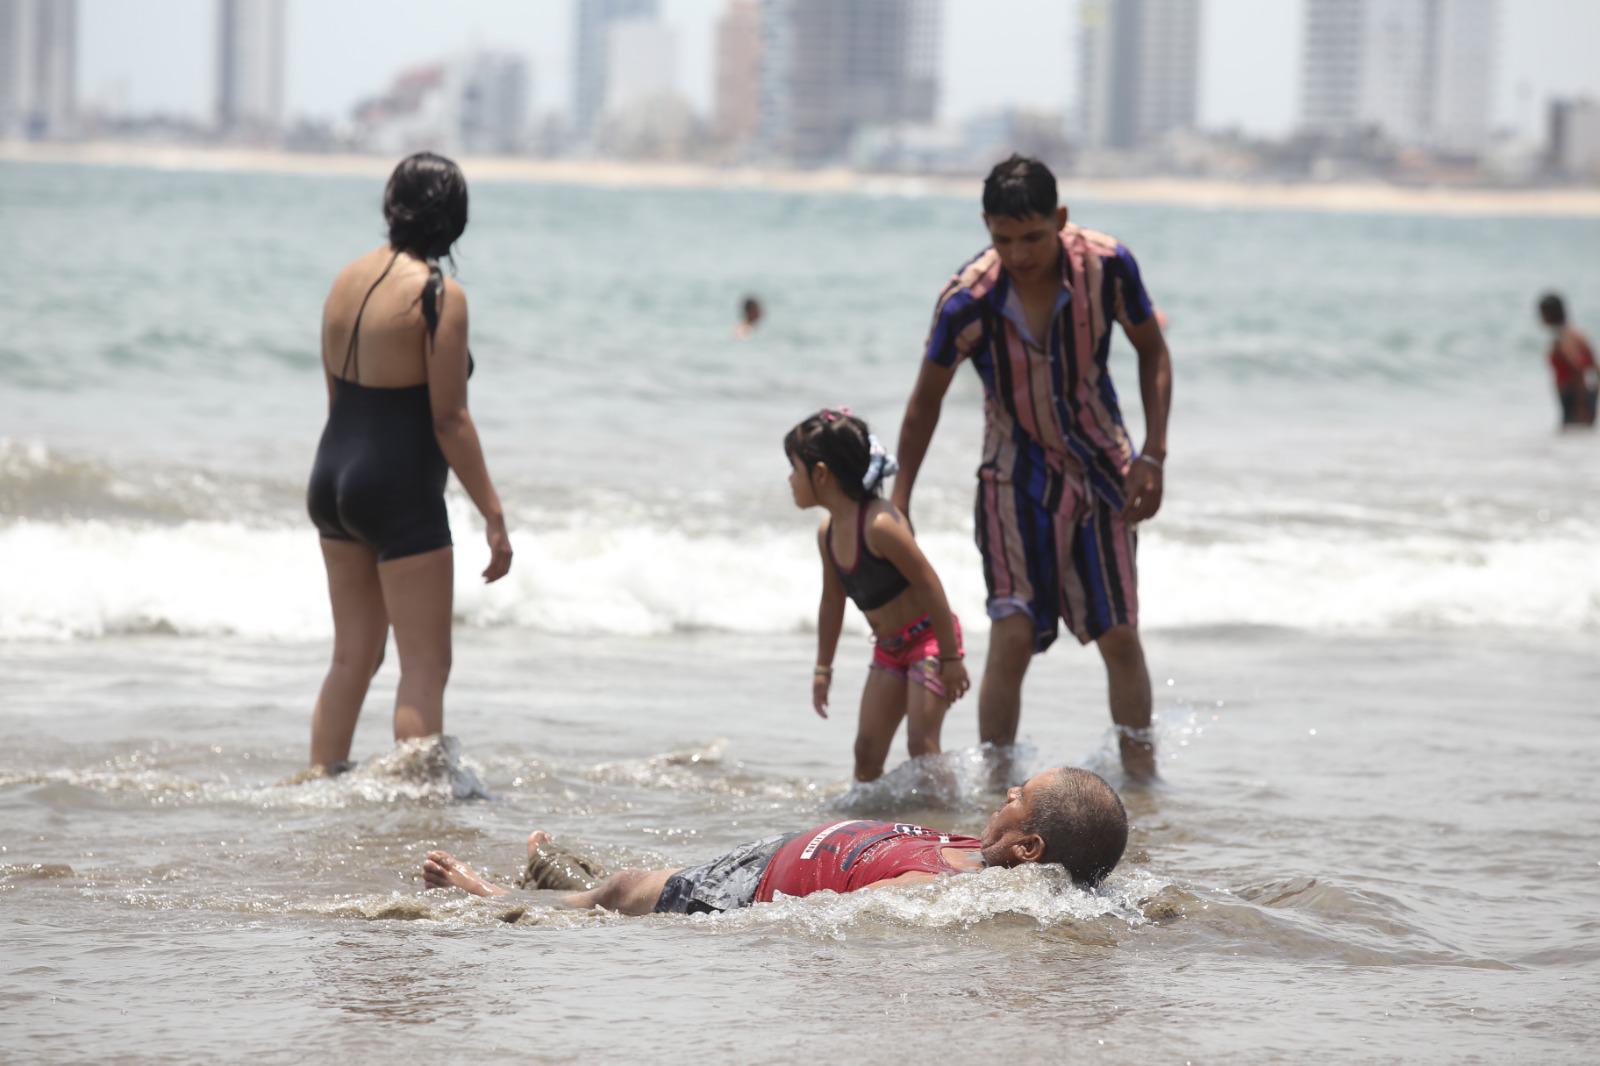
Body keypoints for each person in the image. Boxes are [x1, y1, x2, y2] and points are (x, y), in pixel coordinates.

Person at [892, 155, 1172, 783]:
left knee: (1119, 634)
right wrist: (900, 498)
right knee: (1012, 633)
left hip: (1105, 468)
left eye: (1032, 238)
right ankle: (1000, 790)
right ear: (987, 229)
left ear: (1060, 220)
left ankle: (1144, 780)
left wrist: (1153, 455)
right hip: (1012, 477)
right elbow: (924, 403)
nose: (1018, 254)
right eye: (1003, 239)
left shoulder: (1107, 266)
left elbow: (1153, 349)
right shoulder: (967, 301)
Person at [304, 152, 513, 772]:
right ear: (454, 220)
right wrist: (494, 516)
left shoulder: (344, 280)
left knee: (353, 656)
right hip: (398, 486)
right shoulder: (437, 296)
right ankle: (418, 810)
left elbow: (335, 393)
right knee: (425, 666)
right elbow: (449, 418)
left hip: (332, 473)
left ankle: (319, 782)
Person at [421, 766, 1128, 915]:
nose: (1005, 793)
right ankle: (551, 877)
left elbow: (855, 915)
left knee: (620, 890)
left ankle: (489, 897)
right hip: (769, 855)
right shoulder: (978, 849)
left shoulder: (947, 887)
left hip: (746, 890)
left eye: (1017, 798)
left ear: (1030, 848)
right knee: (622, 885)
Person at [785, 409, 971, 781]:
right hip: (889, 649)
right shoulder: (828, 533)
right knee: (866, 752)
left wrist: (951, 657)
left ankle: (949, 823)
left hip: (930, 642)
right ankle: (868, 829)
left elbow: (930, 586)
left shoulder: (880, 525)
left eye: (794, 469)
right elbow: (832, 602)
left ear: (821, 473)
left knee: (922, 746)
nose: (790, 480)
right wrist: (823, 668)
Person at [1538, 293, 1598, 428]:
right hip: (1581, 399)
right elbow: (1595, 368)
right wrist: (1593, 397)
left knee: (1572, 437)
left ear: (1550, 313)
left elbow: (1577, 369)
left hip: (1574, 401)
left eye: (1542, 313)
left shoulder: (1564, 338)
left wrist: (1583, 403)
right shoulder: (1576, 334)